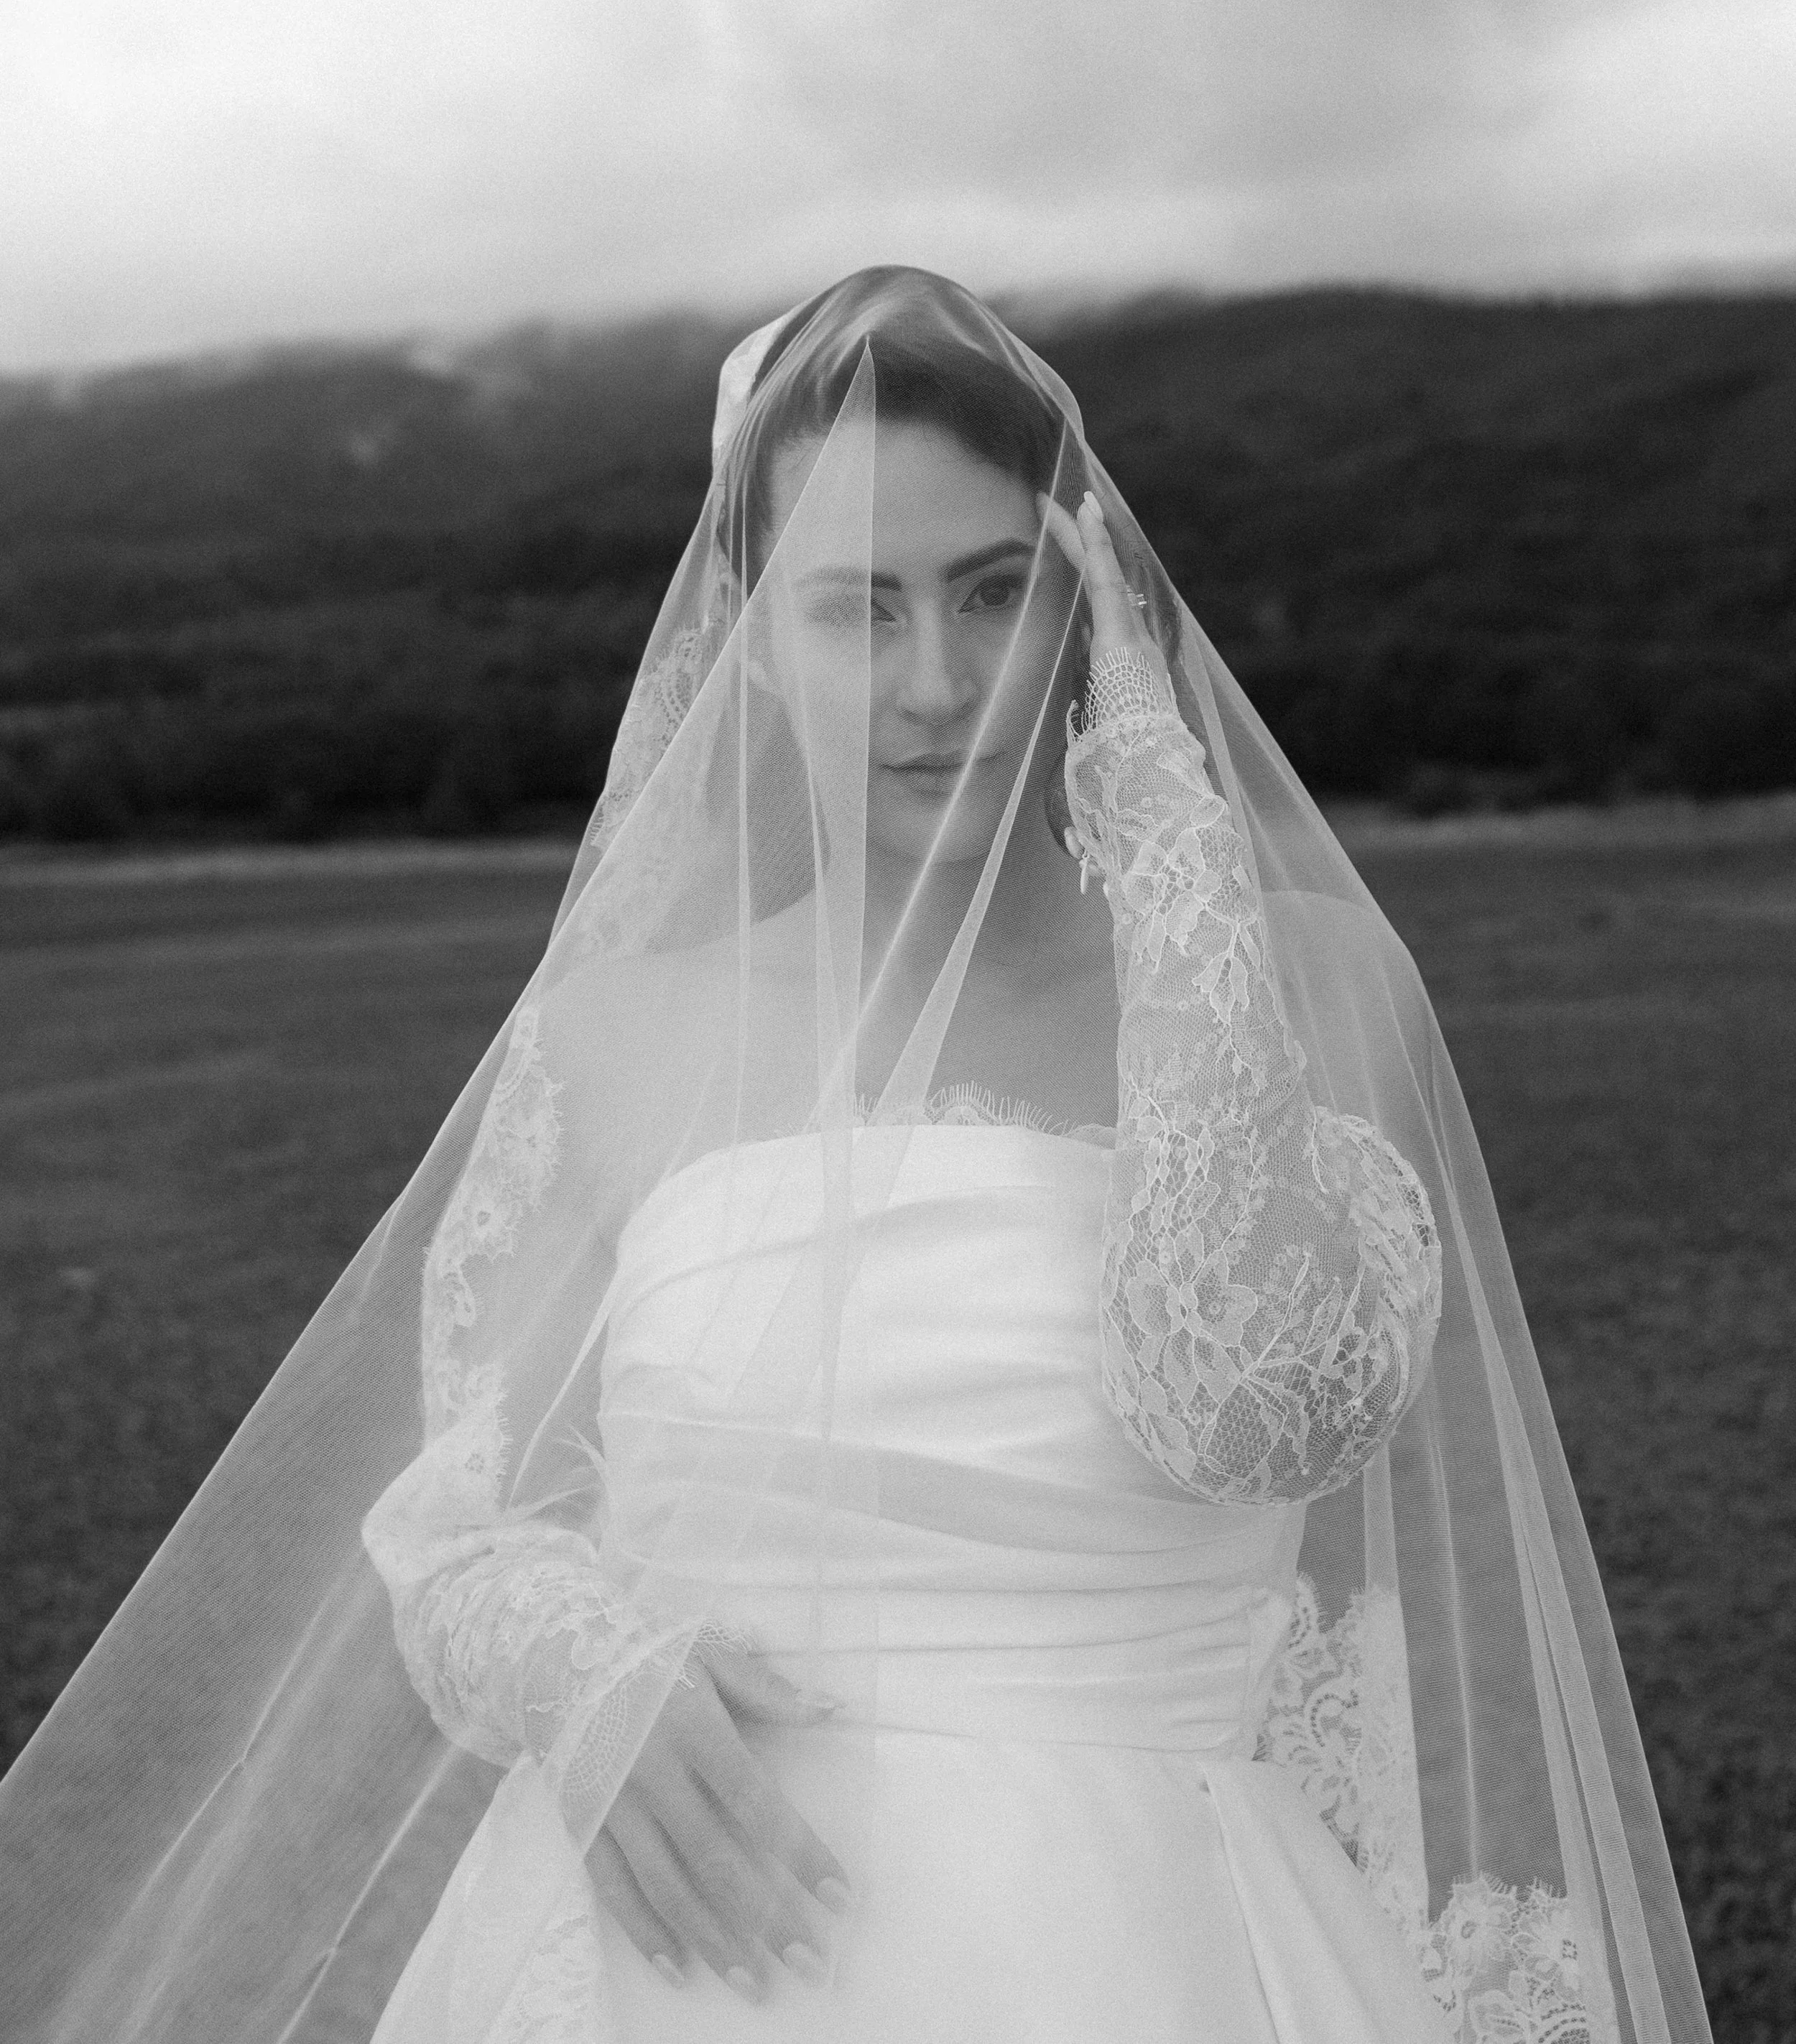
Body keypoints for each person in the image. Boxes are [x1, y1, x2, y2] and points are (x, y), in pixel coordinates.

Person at [0, 271, 1709, 2044]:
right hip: (665, 1954)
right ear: (749, 633)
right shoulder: (613, 1031)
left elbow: (1247, 1412)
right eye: (855, 608)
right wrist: (580, 1673)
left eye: (995, 592)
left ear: (1094, 606)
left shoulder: (1300, 980)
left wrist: (1173, 874)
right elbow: (462, 1525)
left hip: (1140, 1942)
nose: (937, 684)